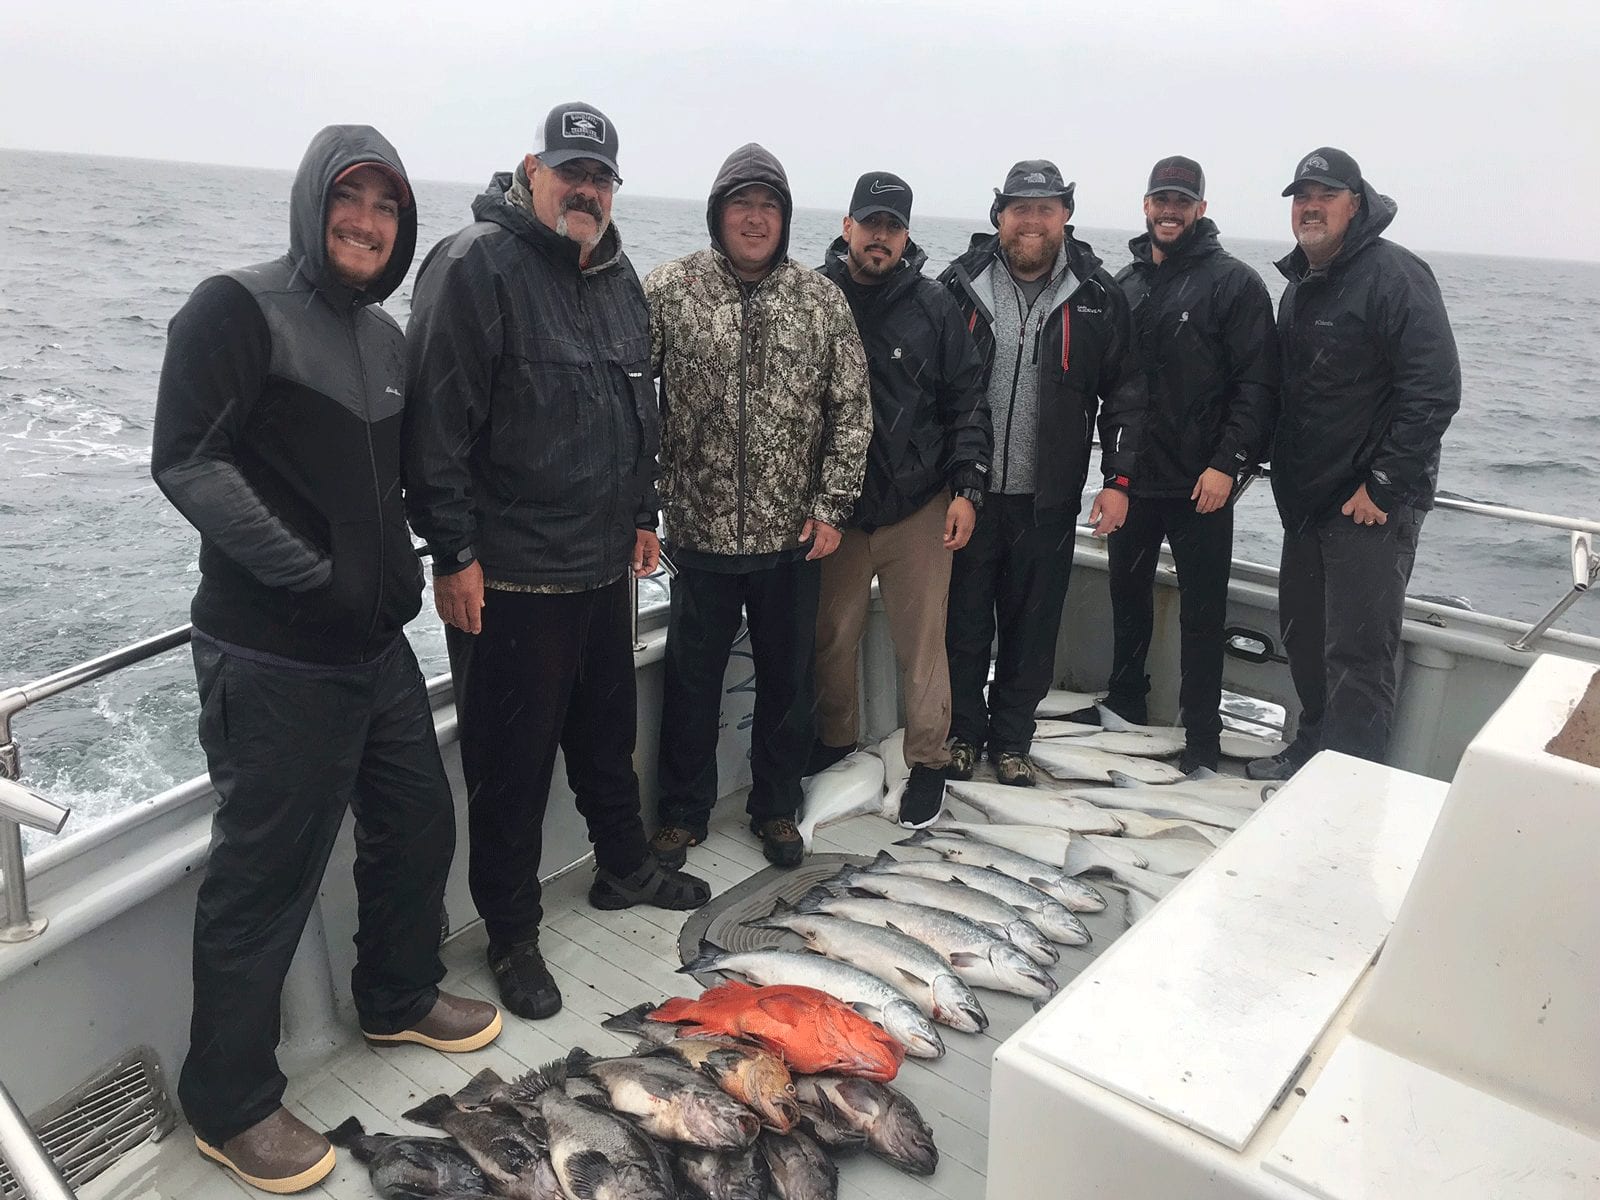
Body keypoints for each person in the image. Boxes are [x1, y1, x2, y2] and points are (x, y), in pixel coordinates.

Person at [151, 125, 500, 1194]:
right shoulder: (235, 307)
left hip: (372, 646)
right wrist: (308, 573)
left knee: (417, 818)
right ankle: (230, 1103)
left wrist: (438, 558)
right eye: (348, 200)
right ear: (313, 206)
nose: (366, 221)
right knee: (266, 879)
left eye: (385, 206)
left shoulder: (387, 340)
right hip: (272, 656)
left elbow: (401, 487)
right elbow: (186, 461)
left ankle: (396, 996)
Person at [403, 102, 710, 1023]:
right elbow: (434, 431)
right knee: (512, 770)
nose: (588, 190)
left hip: (599, 569)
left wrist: (643, 515)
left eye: (603, 177)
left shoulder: (617, 277)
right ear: (531, 169)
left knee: (606, 737)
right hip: (508, 584)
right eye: (574, 172)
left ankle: (622, 864)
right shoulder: (473, 267)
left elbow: (638, 413)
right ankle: (511, 933)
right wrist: (451, 554)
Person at [646, 143, 872, 868]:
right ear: (718, 214)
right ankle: (681, 814)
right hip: (698, 536)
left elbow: (852, 409)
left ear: (784, 219)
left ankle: (776, 807)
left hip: (790, 539)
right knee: (690, 686)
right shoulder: (668, 291)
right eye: (741, 204)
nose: (754, 218)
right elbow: (627, 402)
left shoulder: (820, 299)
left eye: (767, 206)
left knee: (787, 683)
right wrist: (640, 508)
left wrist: (831, 507)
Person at [1248, 147, 1460, 780]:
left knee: (1358, 654)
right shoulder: (1300, 286)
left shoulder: (1396, 275)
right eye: (1301, 196)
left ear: (1356, 204)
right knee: (1306, 640)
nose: (1310, 206)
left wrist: (1385, 484)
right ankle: (1313, 750)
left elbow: (1434, 389)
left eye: (1326, 194)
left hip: (1369, 505)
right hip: (1309, 500)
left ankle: (1351, 785)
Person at [938, 160, 1138, 786]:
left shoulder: (1099, 295)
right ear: (998, 215)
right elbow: (930, 389)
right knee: (965, 626)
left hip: (1047, 500)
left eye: (1045, 208)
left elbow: (1127, 392)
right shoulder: (956, 285)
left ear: (1065, 215)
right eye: (1020, 208)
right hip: (969, 496)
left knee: (1033, 630)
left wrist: (1117, 478)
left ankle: (1013, 741)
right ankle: (964, 734)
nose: (1031, 220)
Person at [810, 171, 991, 827]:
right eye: (870, 223)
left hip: (918, 506)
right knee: (831, 638)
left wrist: (968, 488)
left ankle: (929, 761)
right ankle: (834, 746)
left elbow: (968, 401)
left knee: (923, 647)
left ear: (906, 234)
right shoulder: (813, 296)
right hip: (838, 513)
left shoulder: (935, 306)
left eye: (892, 226)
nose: (879, 237)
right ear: (847, 226)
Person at [1086, 156, 1278, 772]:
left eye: (1181, 200)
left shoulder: (1237, 284)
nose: (1169, 210)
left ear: (1200, 207)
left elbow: (1259, 387)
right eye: (1159, 199)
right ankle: (1124, 707)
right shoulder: (1126, 283)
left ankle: (1201, 739)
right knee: (1127, 599)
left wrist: (1230, 464)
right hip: (1134, 483)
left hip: (1204, 487)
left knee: (1202, 616)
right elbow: (1109, 385)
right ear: (1145, 206)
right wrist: (1113, 473)